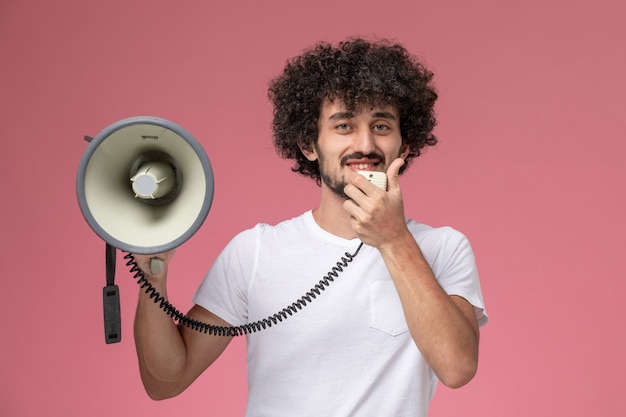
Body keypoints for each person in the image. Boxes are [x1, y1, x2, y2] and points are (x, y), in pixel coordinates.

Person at [133, 37, 488, 416]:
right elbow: (165, 382)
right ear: (309, 144)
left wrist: (394, 240)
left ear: (403, 146)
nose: (365, 144)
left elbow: (457, 367)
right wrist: (150, 274)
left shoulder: (443, 248)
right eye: (344, 126)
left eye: (381, 125)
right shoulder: (255, 252)